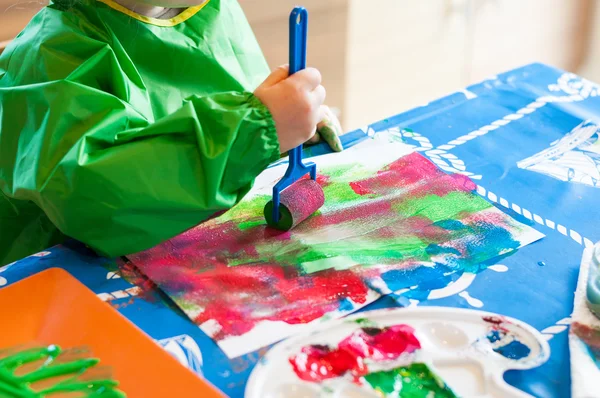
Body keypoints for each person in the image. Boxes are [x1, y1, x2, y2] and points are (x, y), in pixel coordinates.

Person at [0, 0, 344, 266]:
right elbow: (101, 200)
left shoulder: (208, 12)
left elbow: (222, 103)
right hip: (64, 280)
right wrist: (255, 128)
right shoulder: (50, 57)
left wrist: (290, 121)